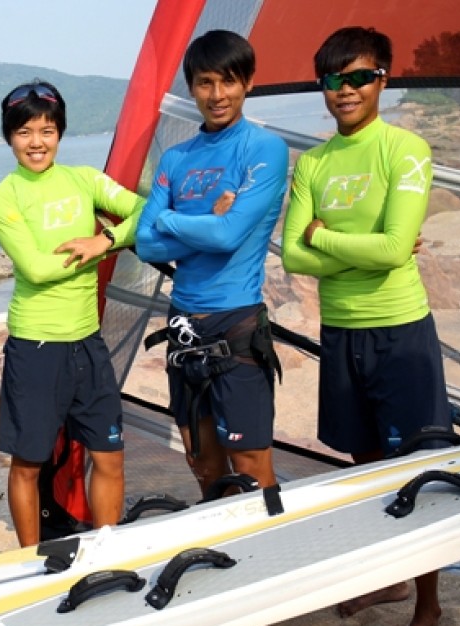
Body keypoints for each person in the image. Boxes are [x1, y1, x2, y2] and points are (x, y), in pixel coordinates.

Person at [281, 27, 452, 626]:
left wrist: (327, 238)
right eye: (333, 80)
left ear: (383, 77)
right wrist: (359, 249)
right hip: (341, 332)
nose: (344, 91)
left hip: (401, 330)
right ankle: (391, 579)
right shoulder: (317, 162)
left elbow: (385, 251)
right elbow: (291, 253)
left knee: (417, 469)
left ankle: (430, 607)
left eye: (358, 77)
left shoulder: (404, 148)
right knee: (363, 463)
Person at [0, 80, 144, 547]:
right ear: (9, 136)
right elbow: (34, 268)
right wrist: (103, 249)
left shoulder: (84, 180)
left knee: (109, 454)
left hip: (88, 343)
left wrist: (106, 239)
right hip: (37, 346)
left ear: (61, 132)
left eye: (47, 130)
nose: (37, 142)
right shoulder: (5, 195)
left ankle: (105, 551)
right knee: (28, 462)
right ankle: (31, 563)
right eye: (25, 132)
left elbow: (145, 211)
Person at [135, 30, 288, 497]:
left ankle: (271, 558)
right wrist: (202, 220)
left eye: (228, 82)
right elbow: (145, 243)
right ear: (192, 87)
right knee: (203, 465)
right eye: (205, 83)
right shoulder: (176, 157)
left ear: (248, 83)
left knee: (251, 468)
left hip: (235, 323)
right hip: (183, 326)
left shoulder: (264, 149)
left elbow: (229, 235)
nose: (217, 95)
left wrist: (170, 218)